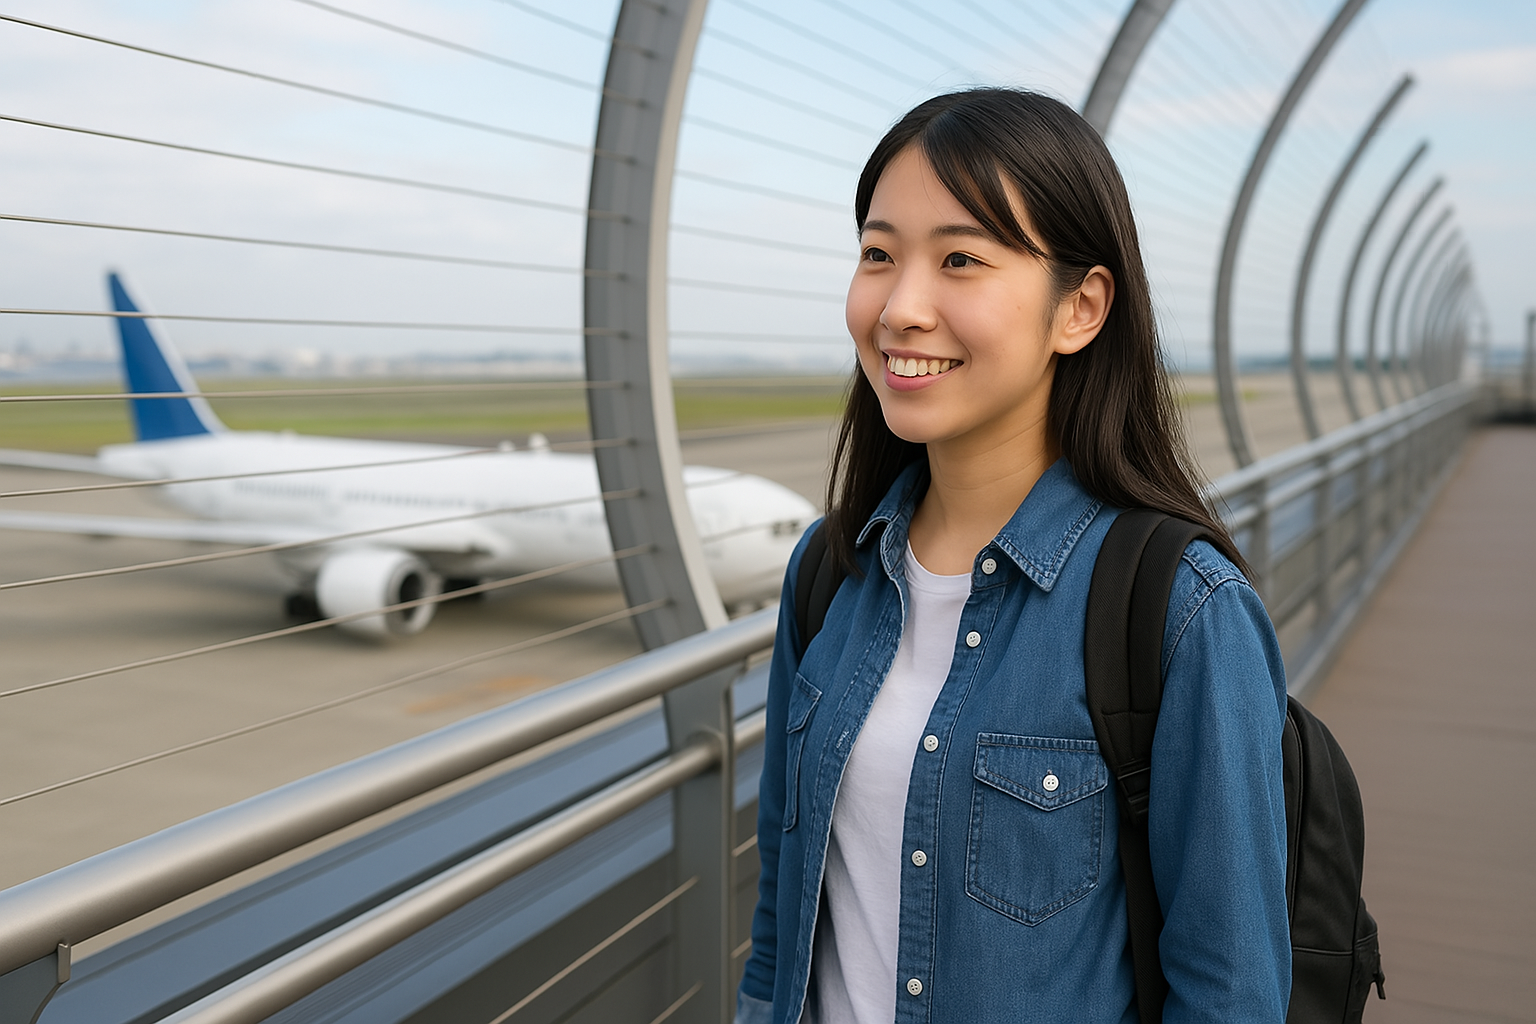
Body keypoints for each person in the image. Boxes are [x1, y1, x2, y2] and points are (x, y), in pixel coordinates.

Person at [735, 89, 1290, 1024]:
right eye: (878, 254)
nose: (901, 307)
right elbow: (784, 915)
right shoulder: (831, 573)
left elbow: (1230, 991)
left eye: (960, 260)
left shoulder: (1181, 612)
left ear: (1080, 308)